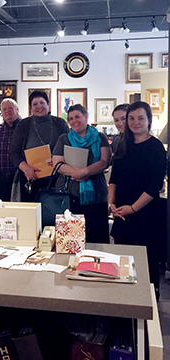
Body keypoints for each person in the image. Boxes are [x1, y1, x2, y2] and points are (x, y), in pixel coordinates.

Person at [109, 101, 166, 297]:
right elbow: (114, 179)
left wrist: (132, 208)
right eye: (131, 118)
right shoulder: (124, 146)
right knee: (124, 262)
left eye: (141, 118)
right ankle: (127, 301)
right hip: (122, 214)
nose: (135, 122)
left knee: (146, 263)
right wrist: (111, 204)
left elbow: (154, 186)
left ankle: (149, 308)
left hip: (145, 215)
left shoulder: (156, 147)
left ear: (149, 120)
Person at [53, 104, 111, 243]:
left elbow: (104, 161)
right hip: (70, 194)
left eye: (77, 116)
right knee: (72, 239)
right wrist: (77, 173)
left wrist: (86, 171)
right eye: (71, 118)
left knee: (97, 237)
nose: (74, 121)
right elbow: (58, 164)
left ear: (86, 117)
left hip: (97, 194)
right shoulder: (63, 139)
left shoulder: (100, 137)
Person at [10, 90, 69, 201]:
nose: (39, 106)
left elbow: (69, 148)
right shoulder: (23, 125)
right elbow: (13, 153)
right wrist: (26, 168)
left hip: (57, 178)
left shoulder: (60, 123)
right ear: (31, 108)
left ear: (48, 104)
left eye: (42, 103)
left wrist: (59, 160)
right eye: (35, 104)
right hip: (31, 178)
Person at [0, 98, 21, 201]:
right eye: (4, 109)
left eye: (10, 108)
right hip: (0, 179)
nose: (7, 111)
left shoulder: (25, 127)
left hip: (20, 178)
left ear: (17, 110)